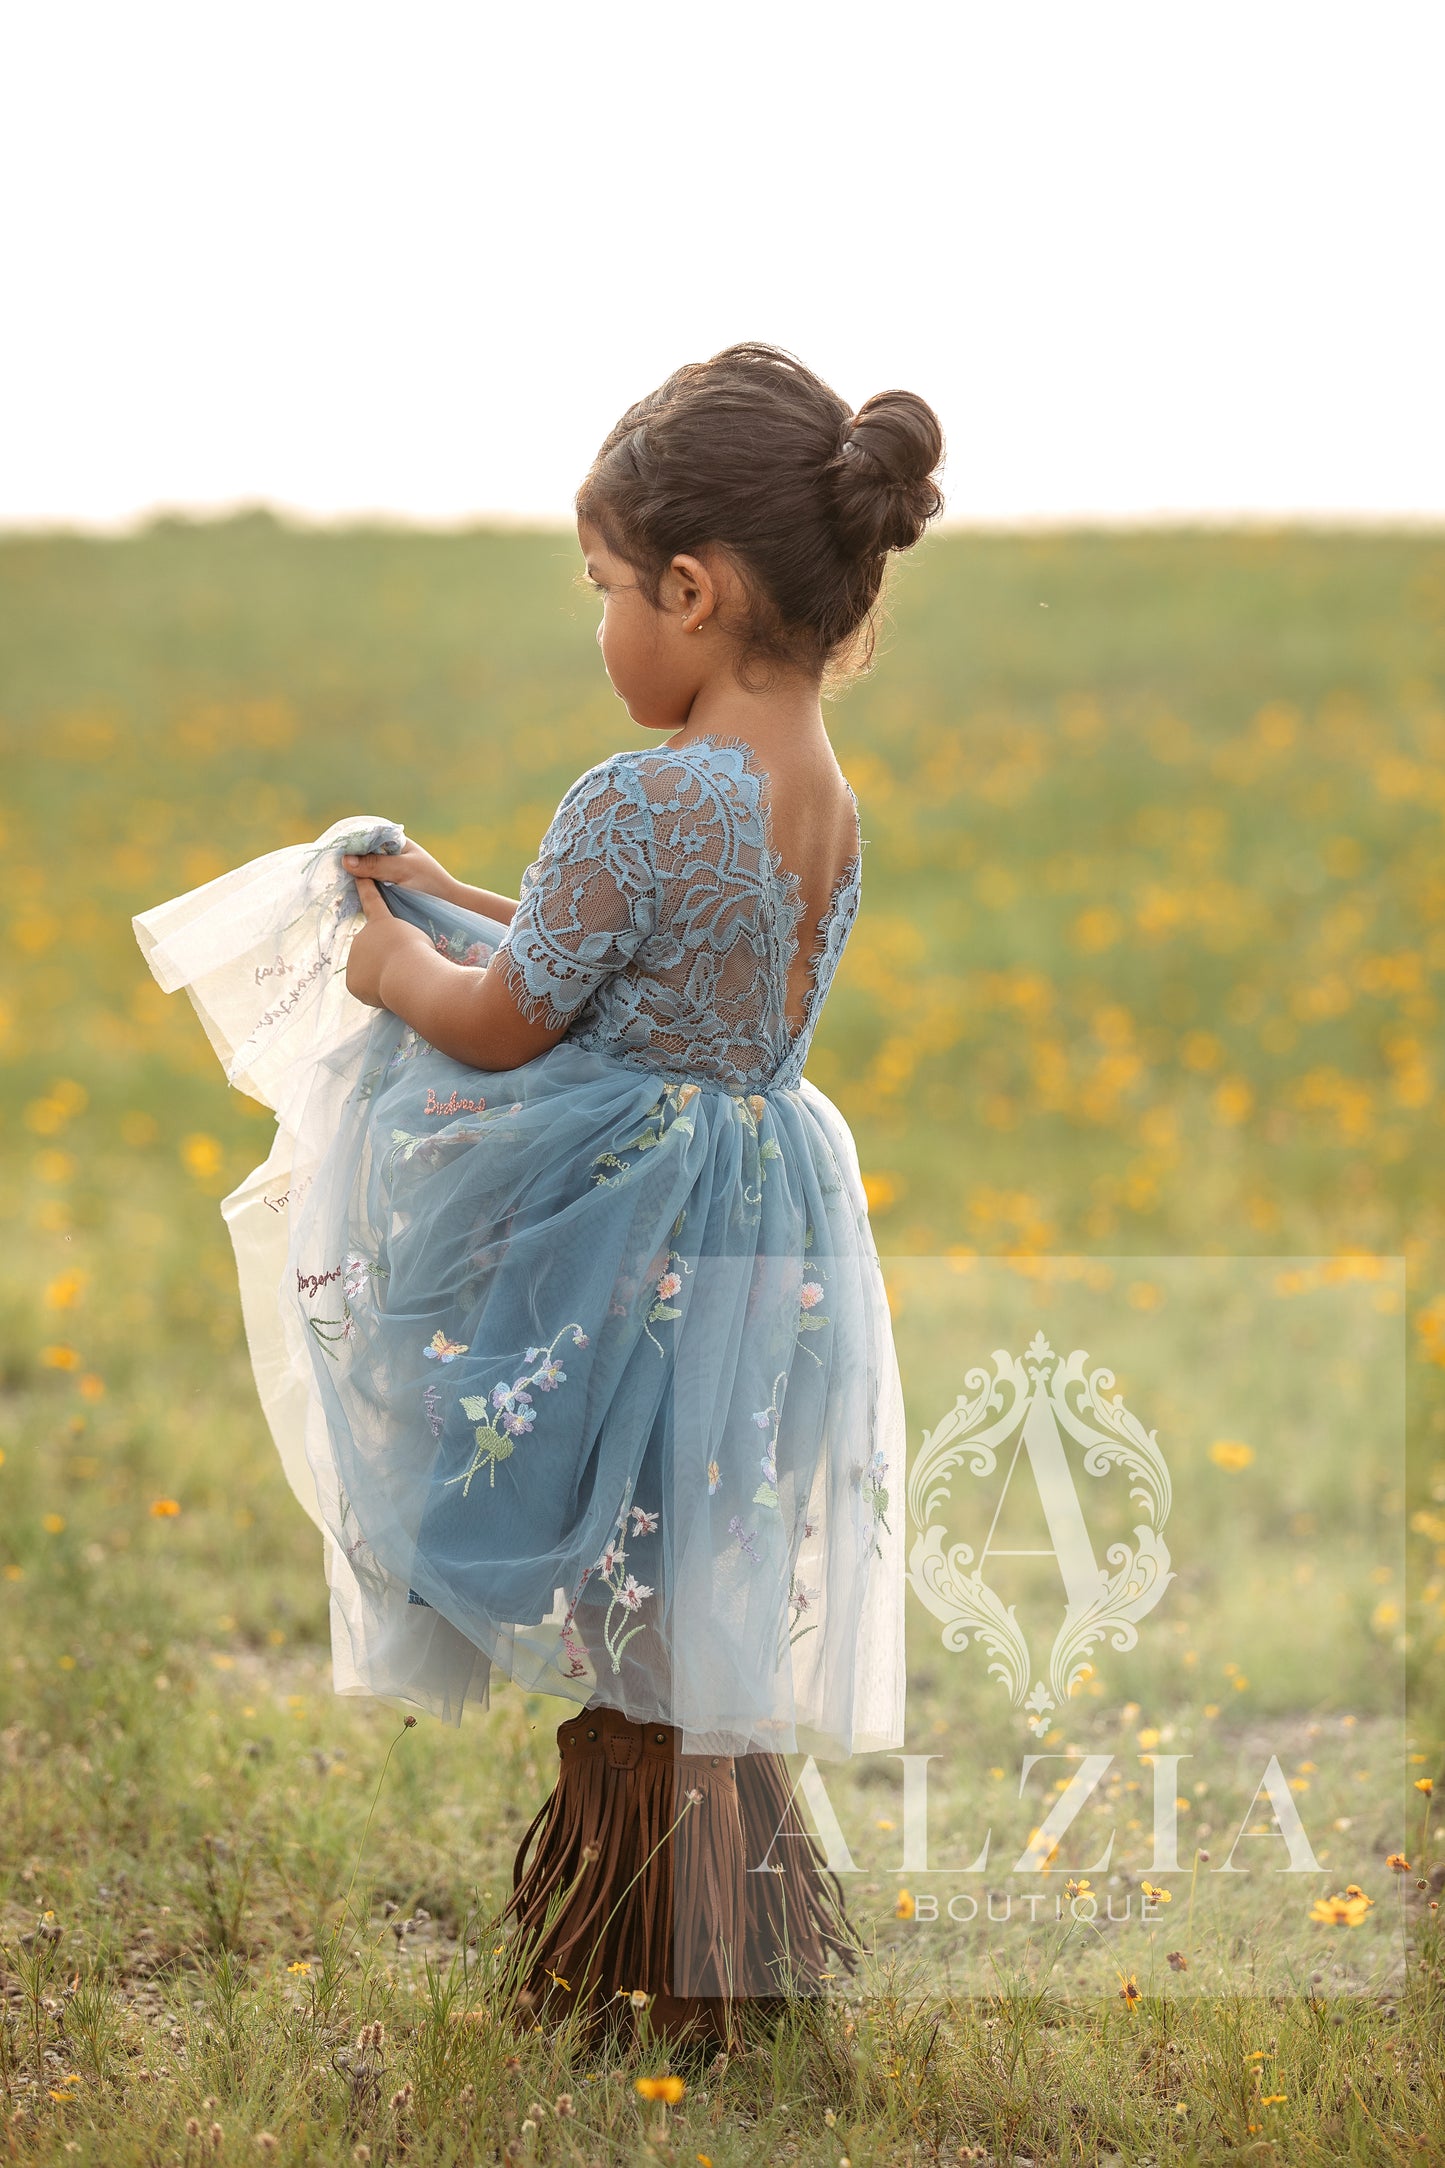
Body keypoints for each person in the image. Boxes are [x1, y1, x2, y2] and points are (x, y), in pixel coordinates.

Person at [134, 342, 943, 2053]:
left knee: (602, 1567)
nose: (598, 627)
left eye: (599, 588)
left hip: (625, 1235)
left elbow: (516, 1016)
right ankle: (722, 1932)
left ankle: (645, 1945)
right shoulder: (824, 800)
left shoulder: (637, 793)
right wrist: (447, 895)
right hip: (760, 1213)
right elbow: (622, 960)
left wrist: (380, 964)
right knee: (689, 1567)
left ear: (692, 587)